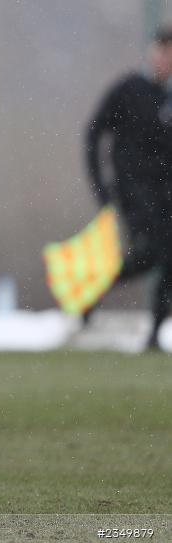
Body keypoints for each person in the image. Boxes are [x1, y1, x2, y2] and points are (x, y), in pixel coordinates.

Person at [84, 25, 172, 352]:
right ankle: (153, 331)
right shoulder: (129, 90)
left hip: (165, 195)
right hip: (133, 192)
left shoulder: (168, 98)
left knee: (157, 256)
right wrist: (101, 187)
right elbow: (93, 133)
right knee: (159, 250)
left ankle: (152, 330)